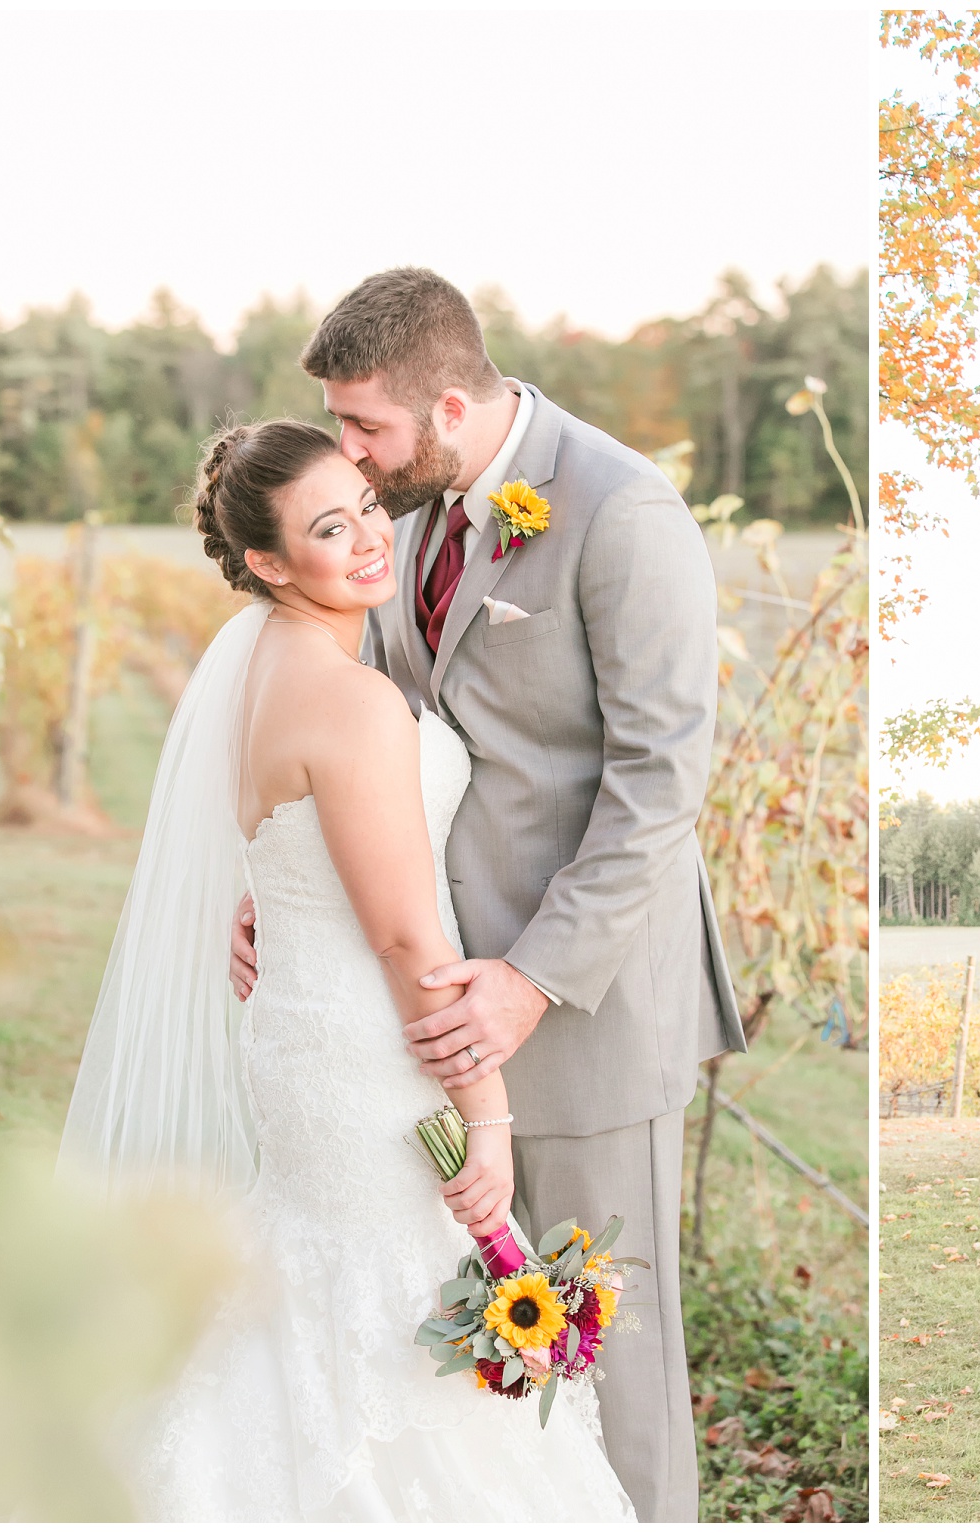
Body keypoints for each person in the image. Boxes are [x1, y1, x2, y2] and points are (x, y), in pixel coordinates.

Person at [230, 268, 744, 1521]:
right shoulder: (400, 512)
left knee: (603, 1358)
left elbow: (659, 785)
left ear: (448, 405)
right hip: (421, 1026)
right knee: (483, 1383)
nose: (349, 456)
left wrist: (531, 979)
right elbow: (388, 734)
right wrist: (285, 886)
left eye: (366, 428)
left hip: (572, 1009)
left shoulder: (624, 513)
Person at [61, 420, 632, 1518]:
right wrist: (491, 1122)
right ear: (268, 561)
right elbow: (414, 948)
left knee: (313, 1295)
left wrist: (266, 900)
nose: (372, 537)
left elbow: (287, 837)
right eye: (330, 528)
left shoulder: (260, 670)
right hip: (372, 1060)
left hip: (298, 1037)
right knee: (389, 1318)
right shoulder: (355, 700)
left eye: (366, 506)